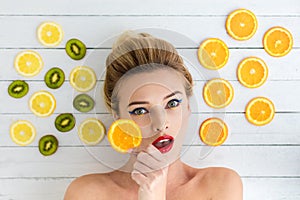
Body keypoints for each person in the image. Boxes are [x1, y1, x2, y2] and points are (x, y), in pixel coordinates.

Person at [64, 31, 243, 200]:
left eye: (172, 104)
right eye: (140, 111)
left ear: (188, 107)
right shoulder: (87, 193)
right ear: (119, 119)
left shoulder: (220, 186)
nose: (160, 124)